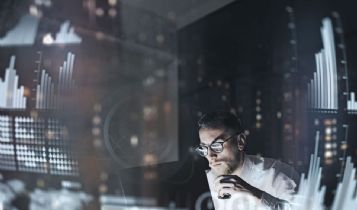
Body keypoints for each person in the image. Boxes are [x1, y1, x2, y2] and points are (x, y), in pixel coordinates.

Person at [195, 111, 299, 210]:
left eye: (217, 146)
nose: (210, 155)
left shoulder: (277, 175)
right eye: (204, 148)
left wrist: (254, 194)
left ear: (240, 142)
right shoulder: (204, 182)